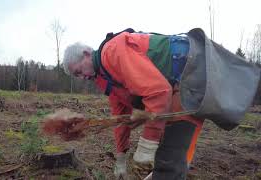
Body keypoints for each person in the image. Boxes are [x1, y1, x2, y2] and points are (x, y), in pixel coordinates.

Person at [62, 28, 204, 180]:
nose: (82, 77)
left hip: (191, 68)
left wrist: (147, 145)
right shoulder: (106, 76)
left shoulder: (112, 52)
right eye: (77, 76)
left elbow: (159, 92)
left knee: (171, 152)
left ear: (86, 54)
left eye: (78, 71)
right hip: (178, 86)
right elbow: (121, 118)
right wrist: (121, 157)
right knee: (171, 150)